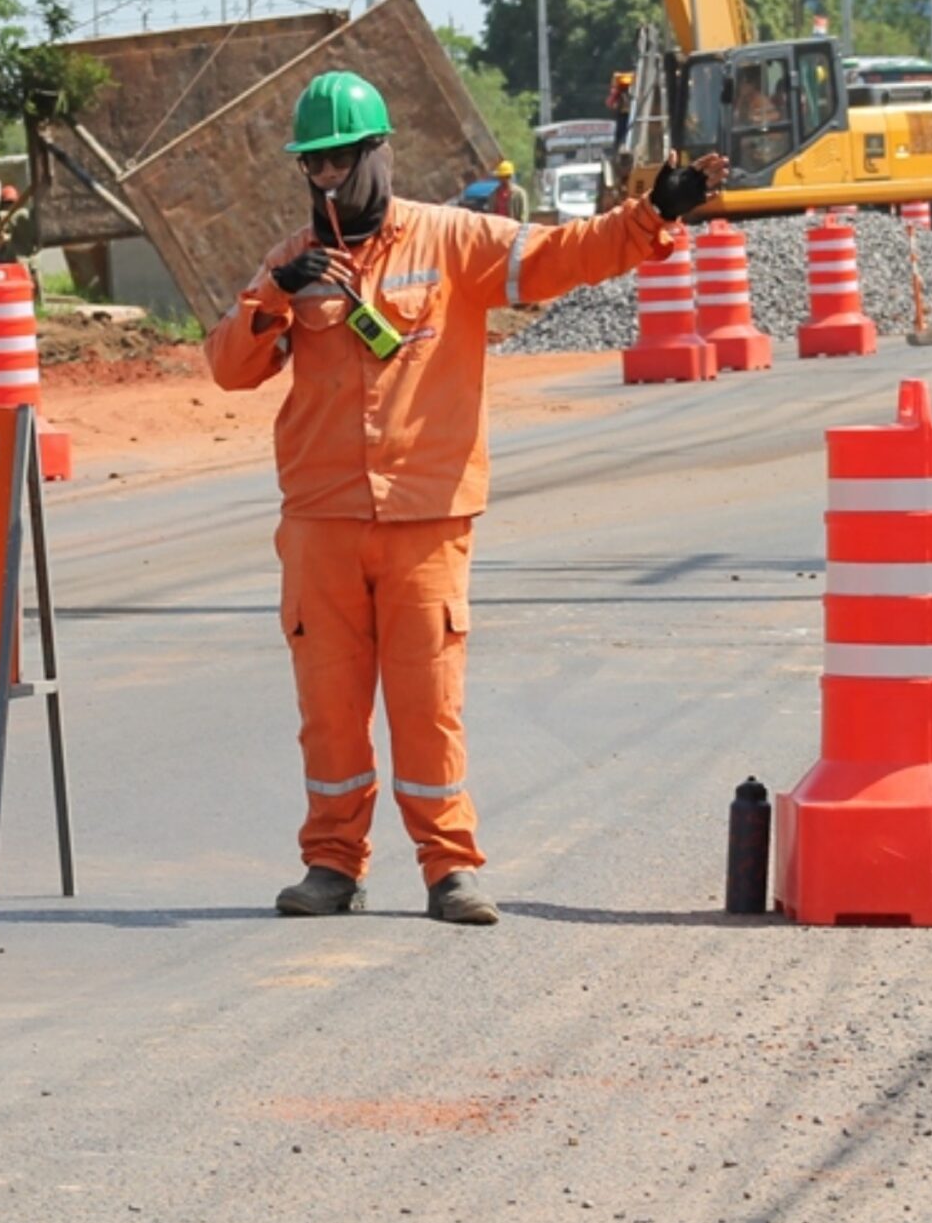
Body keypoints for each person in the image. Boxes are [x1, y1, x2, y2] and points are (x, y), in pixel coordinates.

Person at [205, 69, 726, 926]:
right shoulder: (292, 262)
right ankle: (331, 864)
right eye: (314, 164)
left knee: (429, 706)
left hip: (426, 517)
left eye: (341, 159)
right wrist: (276, 295)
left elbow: (560, 255)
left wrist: (650, 216)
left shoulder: (451, 240)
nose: (327, 177)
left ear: (378, 153)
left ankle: (449, 867)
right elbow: (228, 368)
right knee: (328, 710)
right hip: (321, 520)